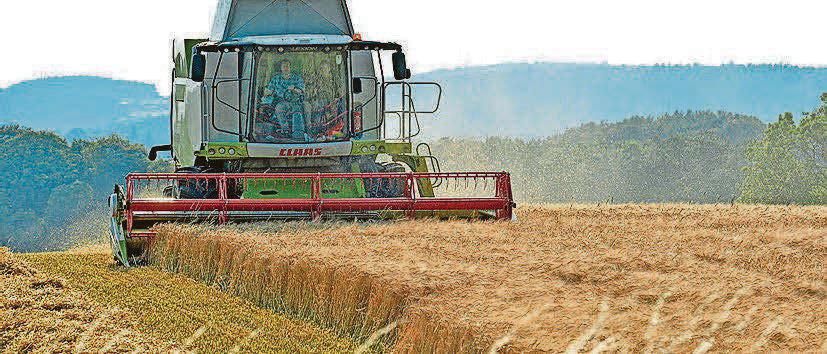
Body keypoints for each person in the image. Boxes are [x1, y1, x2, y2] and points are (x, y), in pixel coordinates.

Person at [261, 59, 308, 140]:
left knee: (299, 110)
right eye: (284, 66)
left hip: (295, 101)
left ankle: (301, 133)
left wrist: (294, 89)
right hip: (281, 101)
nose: (286, 68)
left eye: (288, 66)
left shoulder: (296, 78)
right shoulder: (275, 79)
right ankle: (285, 131)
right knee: (279, 108)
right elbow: (268, 91)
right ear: (281, 68)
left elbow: (301, 90)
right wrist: (268, 92)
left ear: (290, 67)